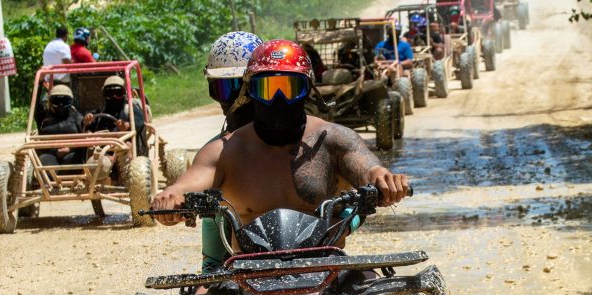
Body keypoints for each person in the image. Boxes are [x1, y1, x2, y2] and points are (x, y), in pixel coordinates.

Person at [151, 40, 409, 259]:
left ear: (307, 89)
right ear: (250, 92)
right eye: (266, 89)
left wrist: (383, 180)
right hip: (245, 278)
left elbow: (368, 168)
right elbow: (186, 185)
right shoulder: (224, 151)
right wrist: (171, 198)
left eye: (289, 89)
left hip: (327, 268)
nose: (278, 100)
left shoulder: (334, 140)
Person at [201, 31, 263, 271]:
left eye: (243, 89)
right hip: (244, 263)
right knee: (205, 292)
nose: (237, 101)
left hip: (312, 258)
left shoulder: (305, 137)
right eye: (224, 89)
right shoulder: (215, 152)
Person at [37, 85, 85, 169]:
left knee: (73, 160)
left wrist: (70, 148)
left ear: (71, 102)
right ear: (51, 102)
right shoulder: (44, 117)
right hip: (49, 153)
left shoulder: (76, 117)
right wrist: (40, 82)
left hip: (72, 153)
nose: (60, 105)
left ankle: (74, 180)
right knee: (45, 163)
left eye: (65, 101)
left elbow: (85, 137)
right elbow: (35, 103)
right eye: (56, 101)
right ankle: (48, 180)